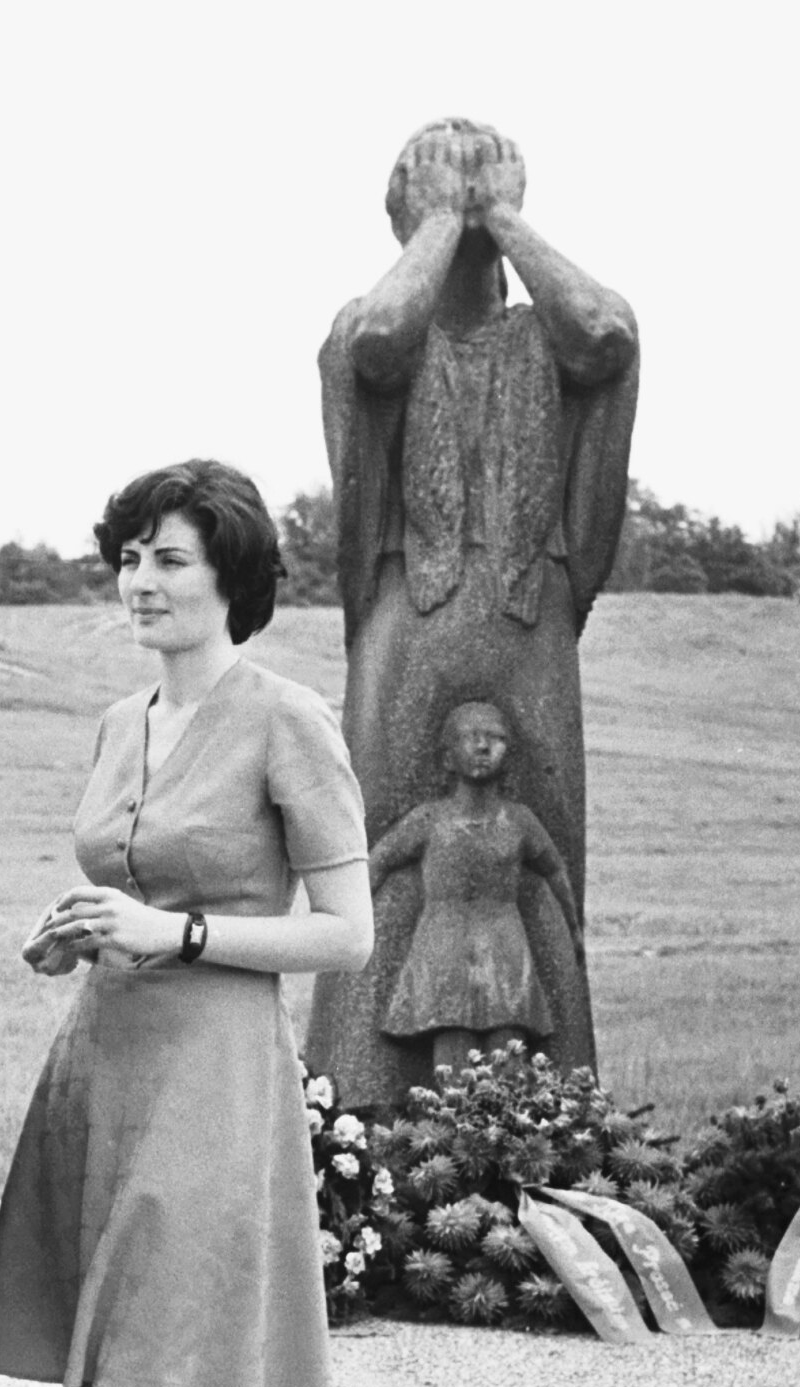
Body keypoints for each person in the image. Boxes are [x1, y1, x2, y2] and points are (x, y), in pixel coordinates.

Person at [0, 459, 373, 1387]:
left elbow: (348, 934)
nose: (138, 581)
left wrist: (181, 934)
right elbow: (132, 887)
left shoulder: (288, 719)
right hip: (104, 1061)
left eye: (169, 559)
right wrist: (85, 926)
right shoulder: (120, 718)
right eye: (129, 556)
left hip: (210, 1077)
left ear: (232, 578)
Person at [301, 116, 638, 1112]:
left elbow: (606, 334)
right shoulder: (374, 327)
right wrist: (444, 223)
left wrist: (507, 223)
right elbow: (377, 342)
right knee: (380, 850)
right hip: (410, 616)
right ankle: (358, 1116)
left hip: (530, 617)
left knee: (544, 845)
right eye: (444, 201)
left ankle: (546, 1114)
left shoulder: (542, 337)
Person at [373, 698, 580, 1077]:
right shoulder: (429, 819)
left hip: (506, 950)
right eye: (470, 737)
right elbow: (380, 861)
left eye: (494, 737)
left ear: (509, 753)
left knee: (509, 1057)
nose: (483, 746)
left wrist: (573, 929)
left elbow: (554, 870)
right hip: (443, 950)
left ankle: (509, 1117)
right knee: (452, 1059)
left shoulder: (518, 821)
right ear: (447, 757)